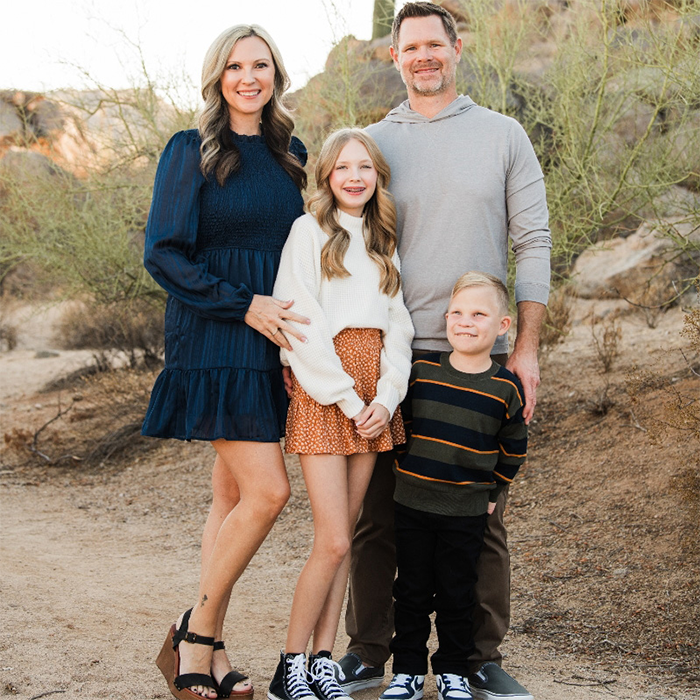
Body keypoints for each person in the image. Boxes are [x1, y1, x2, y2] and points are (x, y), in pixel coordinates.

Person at [339, 4, 551, 700]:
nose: (424, 56)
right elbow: (336, 246)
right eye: (411, 48)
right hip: (388, 360)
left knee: (479, 517)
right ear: (394, 58)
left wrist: (525, 348)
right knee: (375, 516)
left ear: (457, 49)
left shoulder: (503, 135)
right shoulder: (371, 145)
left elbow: (534, 243)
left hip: (475, 362)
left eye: (436, 44)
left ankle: (478, 657)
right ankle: (368, 651)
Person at [143, 24, 309, 700]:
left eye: (261, 65)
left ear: (276, 75)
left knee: (233, 495)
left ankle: (210, 648)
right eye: (236, 66)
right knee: (270, 492)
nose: (249, 77)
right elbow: (164, 252)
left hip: (271, 339)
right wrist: (243, 305)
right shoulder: (192, 150)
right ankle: (197, 633)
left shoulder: (290, 153)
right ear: (217, 77)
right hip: (216, 331)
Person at [266, 129, 414, 700]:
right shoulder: (308, 232)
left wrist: (386, 398)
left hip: (375, 395)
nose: (354, 177)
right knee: (330, 540)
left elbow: (398, 325)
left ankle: (322, 659)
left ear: (377, 175)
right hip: (327, 389)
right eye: (343, 168)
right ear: (326, 177)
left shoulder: (382, 239)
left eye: (365, 168)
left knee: (346, 538)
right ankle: (289, 665)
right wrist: (351, 398)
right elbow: (298, 324)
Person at [381, 272, 527, 700]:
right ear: (445, 319)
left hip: (465, 511)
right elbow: (401, 428)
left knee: (457, 593)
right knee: (409, 591)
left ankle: (452, 671)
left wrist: (490, 493)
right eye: (457, 313)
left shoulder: (504, 388)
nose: (466, 322)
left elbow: (513, 450)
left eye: (479, 314)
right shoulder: (422, 372)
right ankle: (406, 670)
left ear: (502, 326)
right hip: (412, 504)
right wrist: (406, 470)